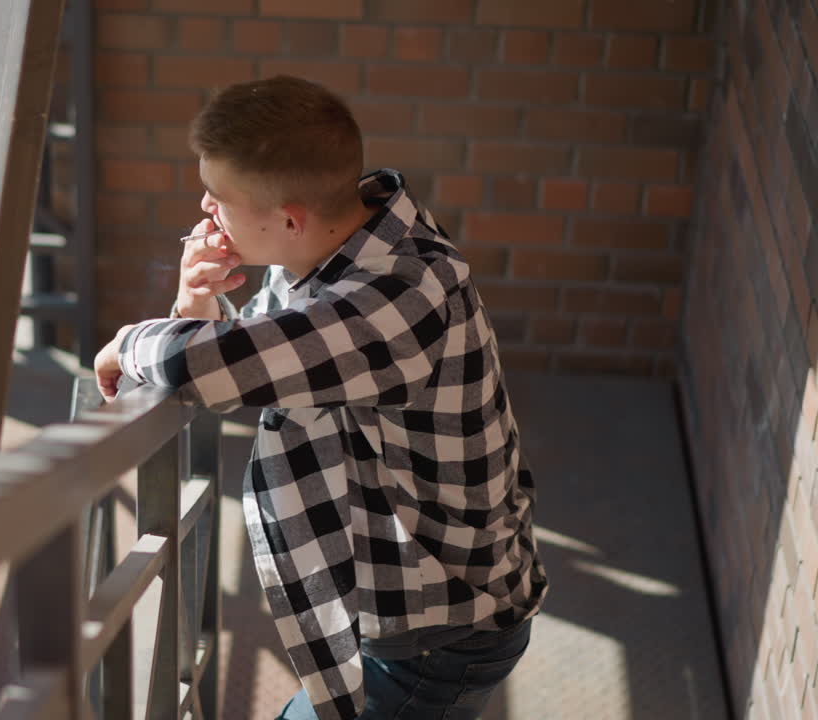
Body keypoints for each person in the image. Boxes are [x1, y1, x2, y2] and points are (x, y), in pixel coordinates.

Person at [94, 75, 548, 720]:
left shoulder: (396, 295)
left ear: (288, 218)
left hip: (437, 632)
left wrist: (127, 341)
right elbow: (269, 362)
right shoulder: (350, 243)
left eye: (218, 197)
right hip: (399, 610)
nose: (204, 207)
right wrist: (197, 308)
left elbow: (208, 363)